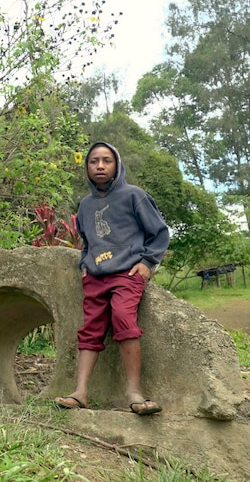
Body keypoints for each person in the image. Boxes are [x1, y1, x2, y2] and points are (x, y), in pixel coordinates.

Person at [54, 141, 169, 415]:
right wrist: (84, 262)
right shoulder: (85, 205)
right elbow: (86, 241)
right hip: (95, 276)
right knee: (91, 327)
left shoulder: (134, 196)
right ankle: (80, 392)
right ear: (87, 168)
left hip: (127, 273)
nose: (100, 166)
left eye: (107, 160)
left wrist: (148, 262)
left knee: (123, 318)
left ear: (117, 164)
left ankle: (134, 392)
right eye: (94, 161)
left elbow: (159, 232)